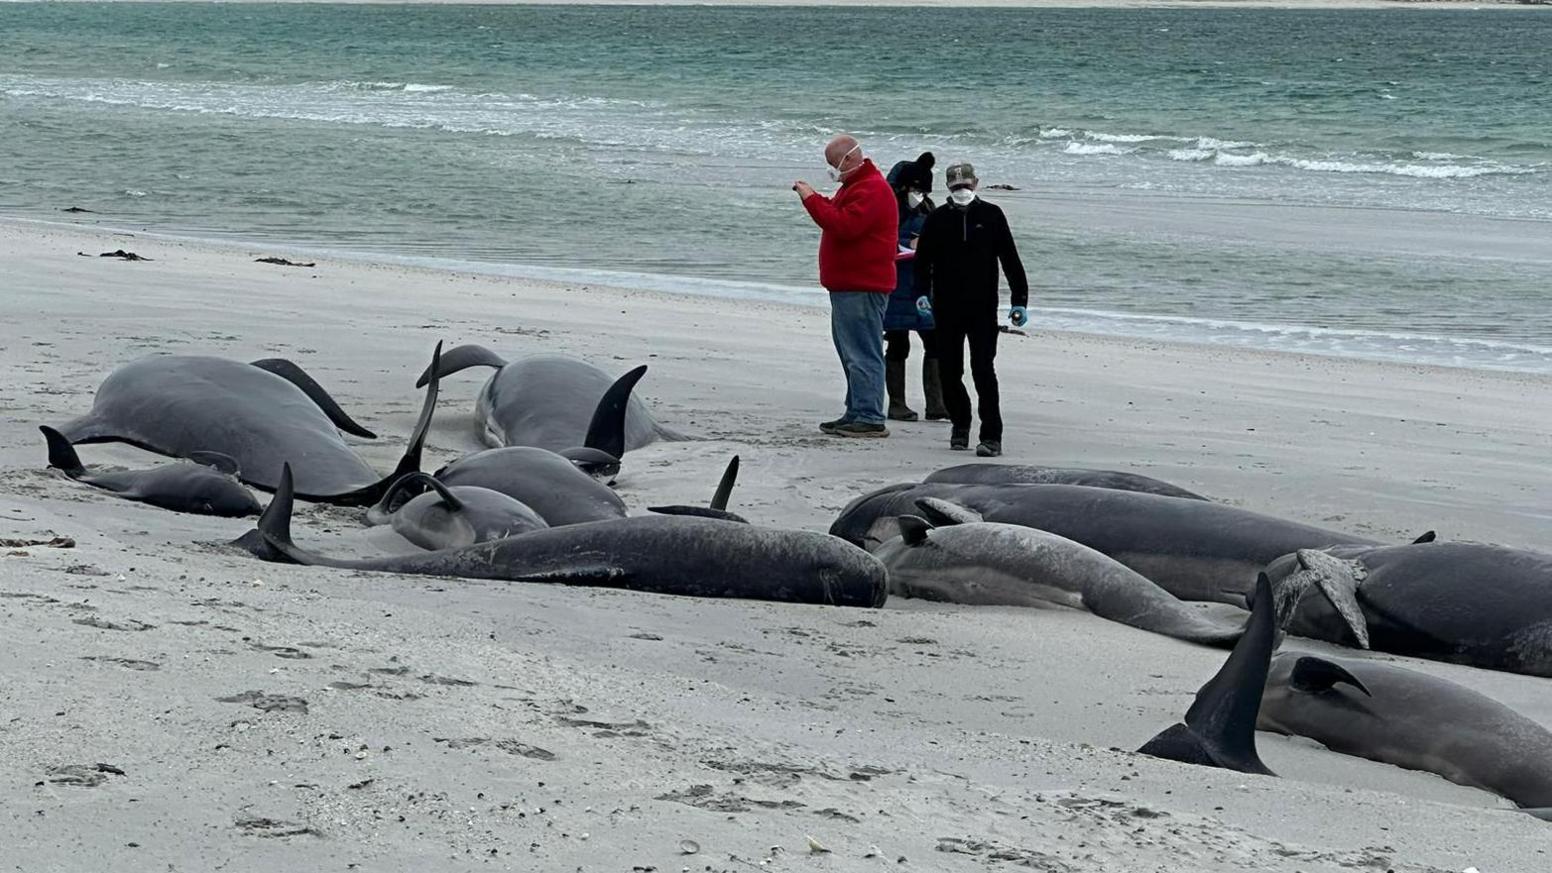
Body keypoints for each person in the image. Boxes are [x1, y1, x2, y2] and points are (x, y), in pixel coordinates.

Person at [913, 161, 1029, 457]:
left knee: (983, 371)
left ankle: (991, 436)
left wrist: (1020, 300)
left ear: (975, 184)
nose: (962, 189)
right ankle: (960, 424)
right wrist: (920, 294)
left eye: (965, 184)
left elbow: (1010, 259)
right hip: (946, 308)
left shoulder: (991, 215)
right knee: (950, 371)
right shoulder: (937, 218)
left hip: (983, 309)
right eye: (956, 185)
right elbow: (922, 261)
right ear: (948, 188)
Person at [794, 134, 899, 438]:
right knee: (849, 350)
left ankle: (869, 415)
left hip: (863, 286)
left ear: (849, 159)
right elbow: (840, 215)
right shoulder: (855, 187)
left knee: (862, 351)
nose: (832, 170)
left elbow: (844, 225)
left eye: (833, 164)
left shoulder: (872, 189)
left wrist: (811, 199)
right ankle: (856, 410)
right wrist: (818, 199)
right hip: (849, 285)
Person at [883, 152, 949, 423]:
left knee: (934, 343)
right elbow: (880, 237)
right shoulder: (889, 208)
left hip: (925, 285)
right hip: (896, 284)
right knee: (898, 344)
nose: (919, 194)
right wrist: (906, 244)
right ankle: (897, 403)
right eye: (916, 189)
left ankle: (937, 403)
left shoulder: (928, 207)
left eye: (923, 190)